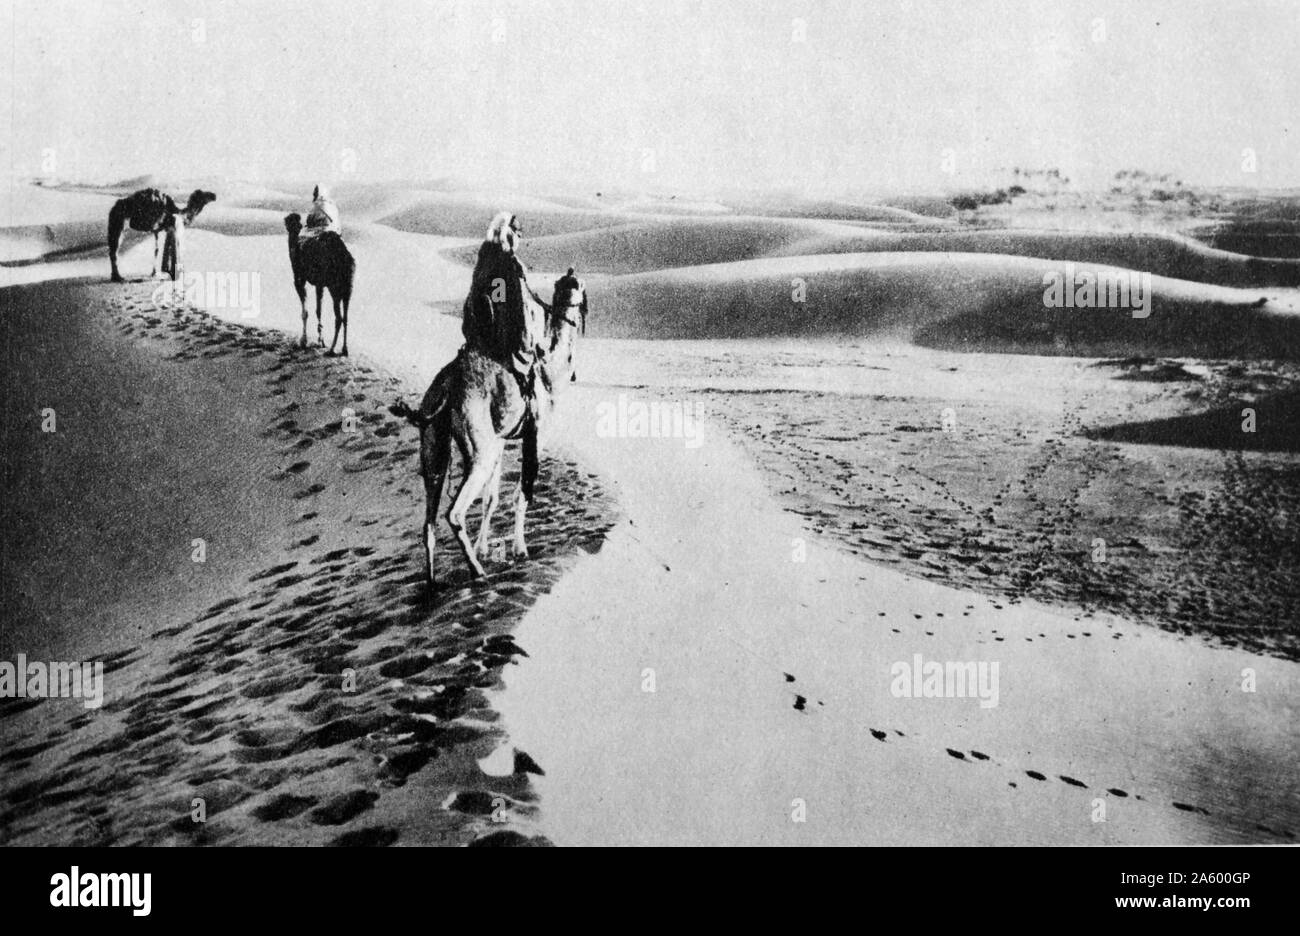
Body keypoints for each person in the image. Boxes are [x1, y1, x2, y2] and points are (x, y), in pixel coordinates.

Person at [462, 212, 548, 399]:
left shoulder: (486, 257)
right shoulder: (502, 261)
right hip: (499, 339)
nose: (519, 239)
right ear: (510, 234)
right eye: (518, 234)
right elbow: (498, 301)